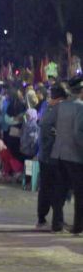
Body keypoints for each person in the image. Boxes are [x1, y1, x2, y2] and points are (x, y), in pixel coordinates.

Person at [49, 75, 83, 235]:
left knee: (60, 190)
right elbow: (78, 133)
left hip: (58, 153)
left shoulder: (62, 106)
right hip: (75, 156)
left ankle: (56, 223)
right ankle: (78, 225)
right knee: (80, 192)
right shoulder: (80, 107)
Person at [37, 84, 66, 230]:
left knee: (45, 188)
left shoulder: (47, 110)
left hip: (45, 156)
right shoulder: (58, 111)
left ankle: (42, 218)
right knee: (57, 189)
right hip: (54, 157)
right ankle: (57, 221)